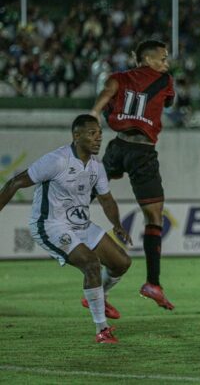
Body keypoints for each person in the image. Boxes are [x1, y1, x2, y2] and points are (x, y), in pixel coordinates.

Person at [0, 115, 132, 343]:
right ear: (76, 136)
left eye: (100, 133)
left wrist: (117, 225)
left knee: (122, 262)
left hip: (81, 224)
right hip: (50, 225)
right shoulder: (57, 160)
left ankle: (100, 294)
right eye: (92, 133)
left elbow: (107, 199)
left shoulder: (96, 167)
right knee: (91, 264)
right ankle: (102, 329)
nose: (98, 138)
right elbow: (15, 183)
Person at [89, 39, 176, 310]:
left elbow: (102, 99)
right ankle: (153, 282)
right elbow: (169, 103)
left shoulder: (118, 78)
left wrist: (95, 114)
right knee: (154, 216)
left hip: (118, 146)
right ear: (147, 60)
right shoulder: (165, 81)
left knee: (93, 187)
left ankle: (61, 215)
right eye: (162, 58)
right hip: (142, 152)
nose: (166, 63)